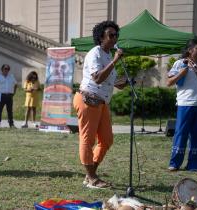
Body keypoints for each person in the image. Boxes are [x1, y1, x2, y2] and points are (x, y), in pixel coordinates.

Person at [73, 20, 126, 189]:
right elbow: (97, 78)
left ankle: (90, 174)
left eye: (116, 35)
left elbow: (109, 80)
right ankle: (92, 177)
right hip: (88, 100)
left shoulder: (108, 55)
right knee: (87, 140)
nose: (114, 38)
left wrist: (123, 82)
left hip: (102, 102)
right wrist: (116, 60)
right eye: (111, 35)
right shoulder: (95, 53)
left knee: (107, 140)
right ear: (101, 37)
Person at [167, 38, 197, 172]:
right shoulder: (180, 63)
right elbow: (169, 82)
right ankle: (175, 163)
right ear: (190, 50)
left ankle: (195, 165)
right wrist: (182, 72)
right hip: (184, 104)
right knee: (181, 133)